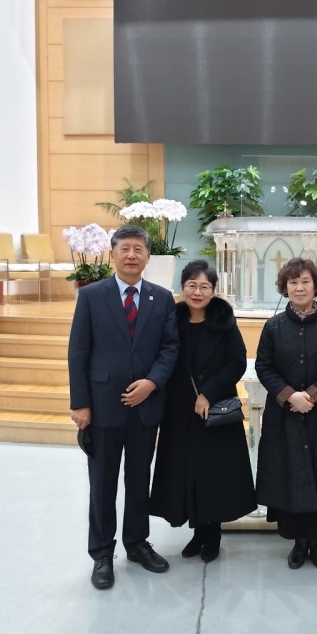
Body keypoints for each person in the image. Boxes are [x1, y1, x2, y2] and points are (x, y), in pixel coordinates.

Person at [68, 224, 179, 590]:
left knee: (138, 479)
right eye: (125, 248)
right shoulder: (91, 296)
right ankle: (102, 554)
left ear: (148, 256)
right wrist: (81, 403)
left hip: (145, 407)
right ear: (112, 253)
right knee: (102, 483)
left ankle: (137, 543)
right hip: (102, 407)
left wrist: (152, 382)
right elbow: (78, 351)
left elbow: (170, 348)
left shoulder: (162, 298)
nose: (131, 255)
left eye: (138, 249)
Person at [150, 260, 256, 562]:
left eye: (204, 287)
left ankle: (213, 533)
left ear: (214, 290)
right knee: (187, 470)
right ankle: (197, 531)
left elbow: (237, 361)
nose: (197, 292)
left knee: (214, 472)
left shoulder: (223, 320)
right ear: (182, 287)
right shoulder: (172, 318)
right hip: (178, 409)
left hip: (215, 408)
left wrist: (208, 393)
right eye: (192, 286)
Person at [255, 258, 317, 570]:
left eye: (305, 281)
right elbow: (263, 366)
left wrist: (312, 395)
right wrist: (290, 396)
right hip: (285, 417)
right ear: (285, 287)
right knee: (293, 476)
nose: (299, 287)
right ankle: (299, 542)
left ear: (316, 286)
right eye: (293, 282)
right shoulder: (273, 327)